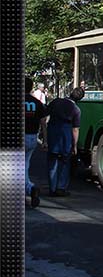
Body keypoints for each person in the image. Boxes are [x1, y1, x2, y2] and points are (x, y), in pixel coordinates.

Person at [46, 87, 85, 197]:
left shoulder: (56, 101)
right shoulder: (76, 110)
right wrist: (75, 145)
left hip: (53, 130)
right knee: (65, 161)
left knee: (52, 160)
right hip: (66, 133)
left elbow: (45, 115)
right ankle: (61, 188)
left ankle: (52, 188)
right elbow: (75, 129)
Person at [25, 77, 47, 208]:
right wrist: (45, 140)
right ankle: (29, 189)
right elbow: (43, 123)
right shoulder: (37, 103)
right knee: (24, 165)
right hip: (32, 137)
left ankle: (30, 189)